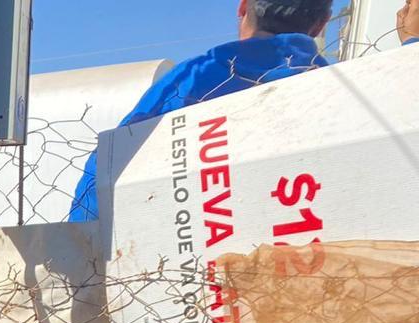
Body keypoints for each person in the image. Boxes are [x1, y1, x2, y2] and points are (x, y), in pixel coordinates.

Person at [68, 0, 333, 222]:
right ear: (322, 24)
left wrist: (84, 250)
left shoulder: (193, 79)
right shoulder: (335, 91)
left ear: (242, 7)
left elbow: (108, 169)